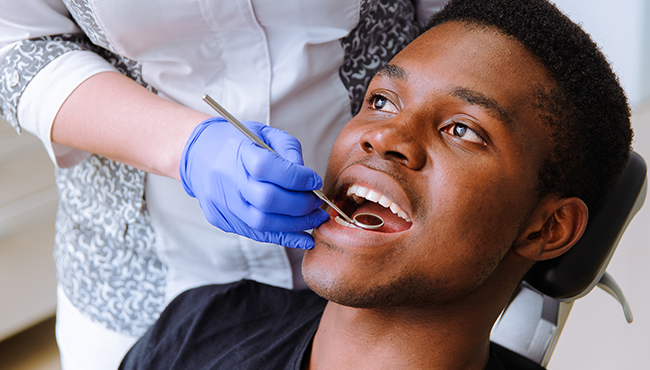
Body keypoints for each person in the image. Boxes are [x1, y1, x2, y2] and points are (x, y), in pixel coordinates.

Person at [118, 0, 633, 368]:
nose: (385, 136)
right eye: (382, 100)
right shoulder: (201, 323)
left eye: (463, 130)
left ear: (548, 227)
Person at [0, 1, 449, 369]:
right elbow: (15, 42)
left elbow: (468, 29)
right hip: (146, 276)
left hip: (394, 287)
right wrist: (187, 148)